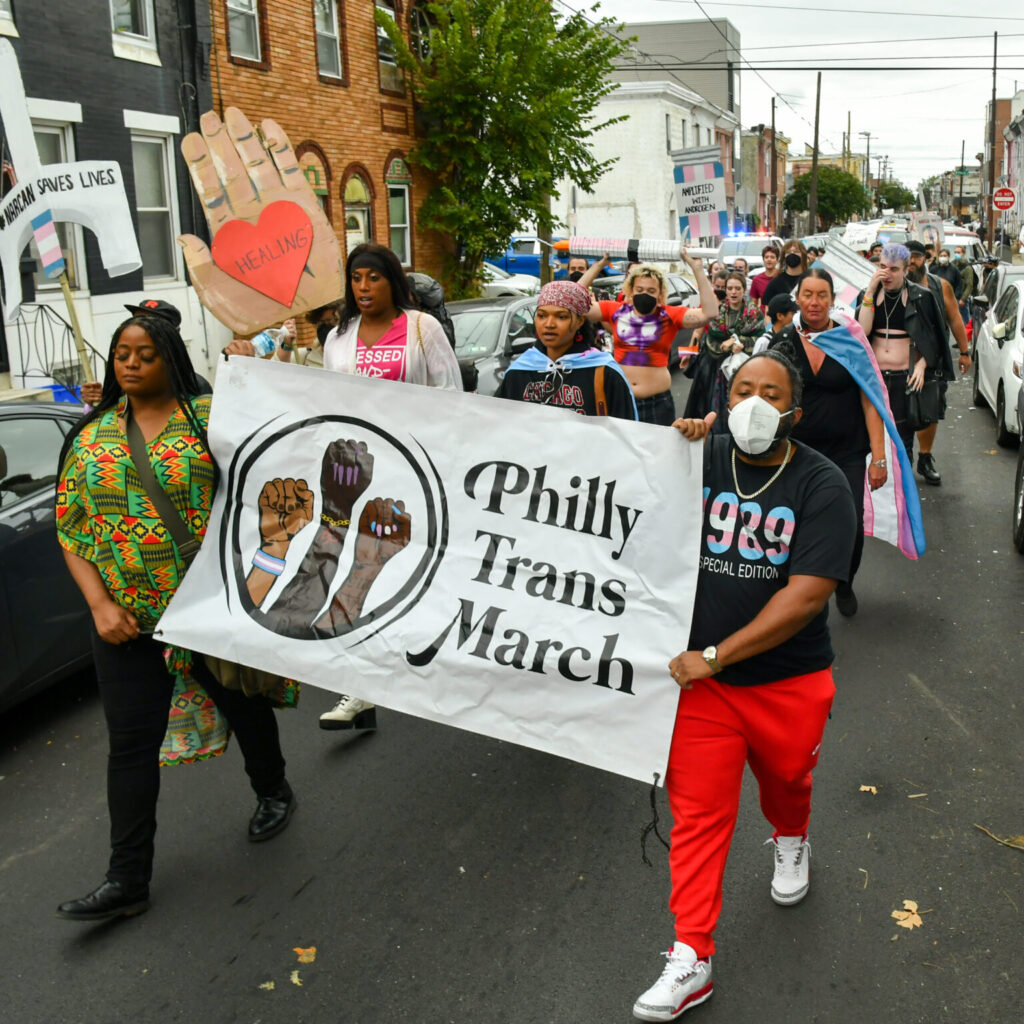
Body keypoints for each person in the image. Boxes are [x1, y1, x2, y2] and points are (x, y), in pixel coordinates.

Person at [632, 351, 856, 1022]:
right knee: (699, 817)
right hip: (705, 692)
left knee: (787, 780)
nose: (755, 402)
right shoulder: (697, 458)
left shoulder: (821, 485)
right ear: (724, 399)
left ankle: (792, 835)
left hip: (787, 682)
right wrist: (673, 448)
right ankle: (690, 954)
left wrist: (716, 654)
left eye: (771, 393)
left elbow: (806, 596)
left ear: (795, 410)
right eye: (743, 390)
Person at [54, 312, 295, 923]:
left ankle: (273, 789)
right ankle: (126, 878)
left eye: (145, 355)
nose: (130, 364)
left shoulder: (210, 419)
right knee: (130, 746)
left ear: (171, 360)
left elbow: (265, 474)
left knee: (244, 705)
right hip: (127, 624)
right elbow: (72, 528)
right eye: (121, 354)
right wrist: (101, 606)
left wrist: (261, 371)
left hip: (206, 608)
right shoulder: (90, 436)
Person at [225, 243, 461, 732]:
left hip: (414, 465)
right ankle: (360, 685)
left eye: (374, 277)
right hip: (357, 468)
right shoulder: (338, 337)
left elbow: (450, 396)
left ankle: (429, 666)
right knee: (355, 564)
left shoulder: (422, 329)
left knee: (411, 569)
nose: (364, 287)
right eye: (356, 278)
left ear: (392, 281)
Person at [768, 270, 888, 617]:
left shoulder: (850, 342)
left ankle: (845, 580)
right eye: (808, 294)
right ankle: (795, 591)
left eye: (822, 295)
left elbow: (871, 400)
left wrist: (878, 458)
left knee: (850, 525)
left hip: (845, 451)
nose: (814, 302)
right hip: (796, 453)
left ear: (833, 300)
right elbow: (769, 396)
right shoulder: (784, 342)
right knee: (792, 524)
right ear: (798, 298)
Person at [580, 250, 718, 425]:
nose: (645, 294)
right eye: (640, 289)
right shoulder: (615, 310)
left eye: (651, 290)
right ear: (631, 290)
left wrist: (697, 268)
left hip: (657, 403)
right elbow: (572, 302)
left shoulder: (669, 315)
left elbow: (710, 312)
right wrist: (597, 266)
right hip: (620, 399)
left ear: (660, 294)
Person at [854, 244, 954, 462]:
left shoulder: (921, 296)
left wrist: (921, 364)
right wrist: (870, 291)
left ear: (906, 270)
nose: (886, 274)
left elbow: (934, 338)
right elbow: (862, 331)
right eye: (882, 267)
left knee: (902, 442)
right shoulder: (870, 294)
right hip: (875, 378)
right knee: (871, 439)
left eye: (893, 269)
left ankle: (904, 493)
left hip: (904, 380)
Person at [497, 280, 636, 418]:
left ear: (580, 321)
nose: (549, 324)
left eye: (561, 317)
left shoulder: (603, 371)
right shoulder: (520, 371)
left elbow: (626, 432)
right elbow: (499, 424)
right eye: (542, 315)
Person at [905, 241, 970, 485]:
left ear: (926, 258)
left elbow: (954, 319)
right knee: (899, 411)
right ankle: (901, 460)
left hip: (933, 358)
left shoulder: (940, 286)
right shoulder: (892, 285)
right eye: (907, 257)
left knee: (929, 411)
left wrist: (965, 352)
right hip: (901, 358)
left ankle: (924, 457)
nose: (912, 261)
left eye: (917, 257)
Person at [683, 272, 764, 429]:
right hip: (712, 364)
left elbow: (760, 339)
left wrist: (737, 341)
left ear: (744, 289)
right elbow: (700, 334)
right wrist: (687, 354)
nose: (733, 292)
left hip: (740, 368)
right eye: (729, 288)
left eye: (737, 288)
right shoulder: (714, 309)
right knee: (706, 405)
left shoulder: (754, 313)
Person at [761, 239, 809, 306]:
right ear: (784, 256)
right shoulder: (775, 282)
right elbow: (768, 311)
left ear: (803, 255)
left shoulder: (810, 279)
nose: (792, 254)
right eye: (788, 252)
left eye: (796, 251)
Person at [953, 245, 976, 327]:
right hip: (952, 297)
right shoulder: (952, 265)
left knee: (965, 322)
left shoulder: (967, 267)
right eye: (955, 252)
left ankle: (968, 337)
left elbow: (969, 285)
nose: (956, 254)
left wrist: (963, 299)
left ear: (963, 254)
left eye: (958, 252)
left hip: (962, 299)